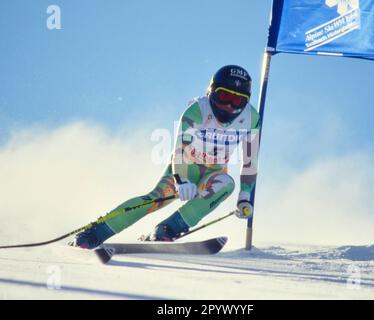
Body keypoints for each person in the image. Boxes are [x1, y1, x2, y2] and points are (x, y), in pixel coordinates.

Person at [74, 65, 261, 249]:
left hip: (213, 173)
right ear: (212, 92)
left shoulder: (252, 119)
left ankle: (167, 229)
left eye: (237, 101)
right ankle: (94, 233)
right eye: (224, 97)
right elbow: (180, 149)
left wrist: (245, 196)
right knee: (156, 200)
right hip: (185, 165)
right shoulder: (198, 110)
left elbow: (250, 161)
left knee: (226, 183)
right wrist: (181, 180)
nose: (229, 106)